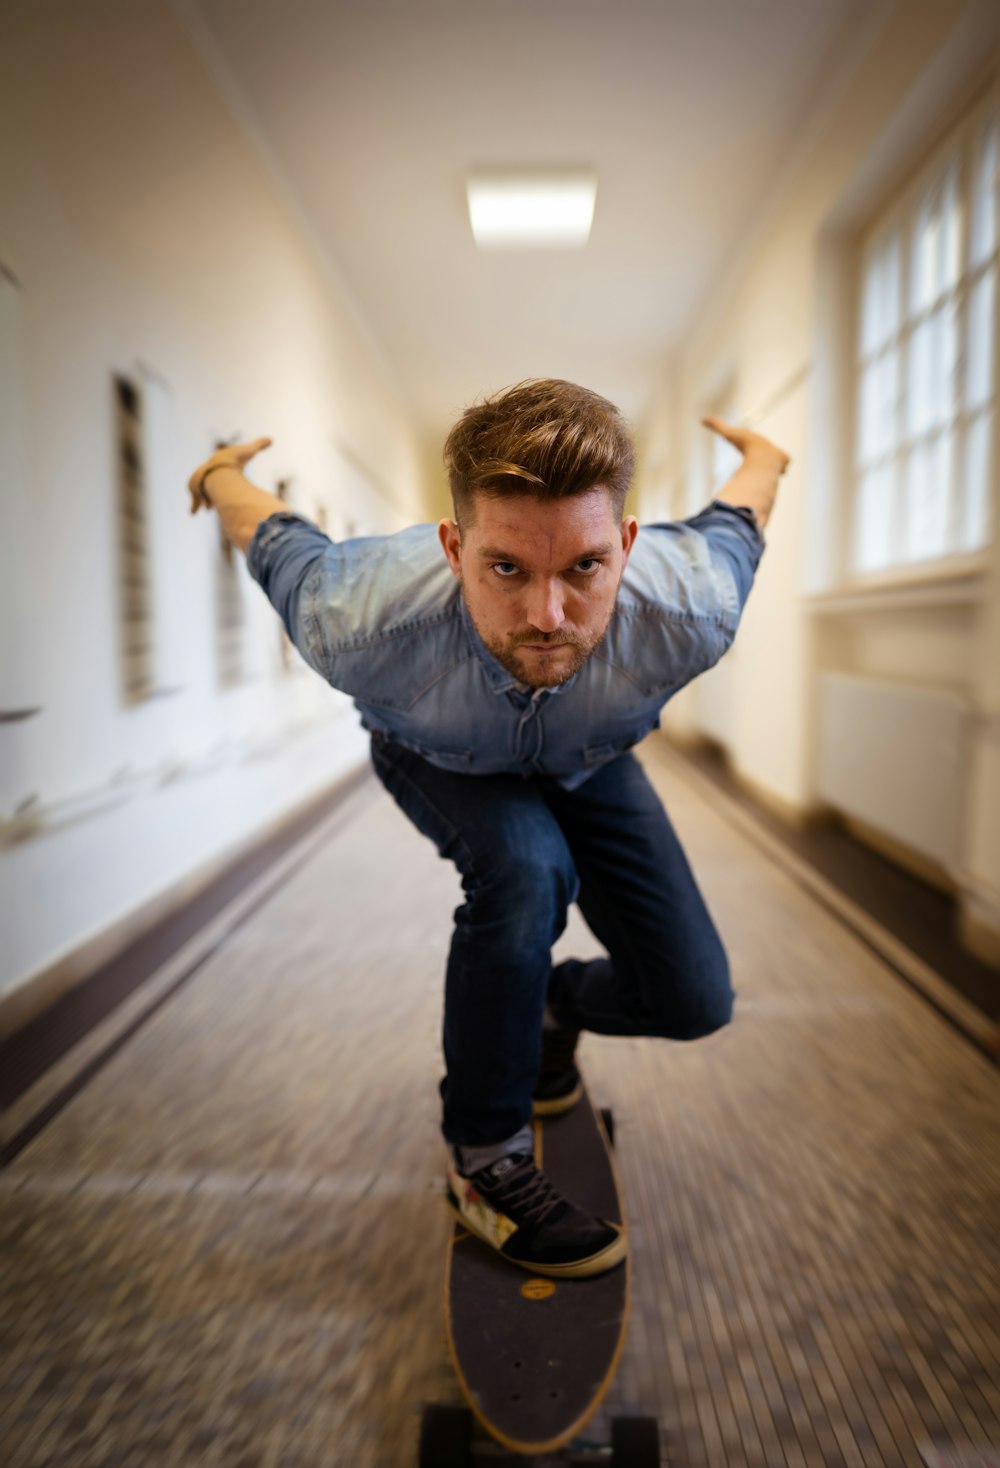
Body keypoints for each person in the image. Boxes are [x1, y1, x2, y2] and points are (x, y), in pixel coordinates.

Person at [188, 378, 790, 1280]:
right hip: (439, 755)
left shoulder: (693, 607)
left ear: (627, 545)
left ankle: (547, 1005)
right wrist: (224, 472)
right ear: (454, 546)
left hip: (590, 758)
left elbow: (739, 515)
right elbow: (273, 534)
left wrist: (764, 457)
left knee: (694, 1001)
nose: (548, 616)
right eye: (507, 567)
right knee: (525, 867)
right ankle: (485, 1158)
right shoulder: (351, 618)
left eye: (583, 567)